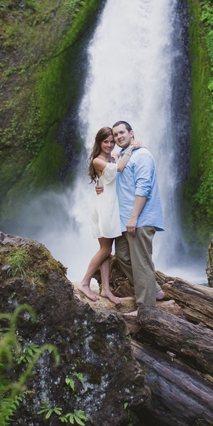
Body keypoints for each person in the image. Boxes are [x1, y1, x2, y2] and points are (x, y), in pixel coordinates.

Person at [76, 127, 141, 304]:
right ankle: (84, 282)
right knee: (105, 249)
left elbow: (112, 176)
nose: (110, 144)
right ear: (99, 143)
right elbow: (118, 169)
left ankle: (105, 289)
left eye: (112, 141)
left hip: (112, 207)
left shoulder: (113, 157)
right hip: (105, 207)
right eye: (106, 141)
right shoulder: (98, 160)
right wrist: (130, 148)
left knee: (108, 250)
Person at [111, 121, 164, 312]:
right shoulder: (124, 157)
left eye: (122, 132)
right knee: (122, 256)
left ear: (131, 133)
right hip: (126, 220)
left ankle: (147, 309)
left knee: (141, 263)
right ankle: (154, 289)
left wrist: (134, 217)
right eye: (115, 135)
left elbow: (144, 188)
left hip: (140, 219)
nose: (119, 137)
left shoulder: (142, 155)